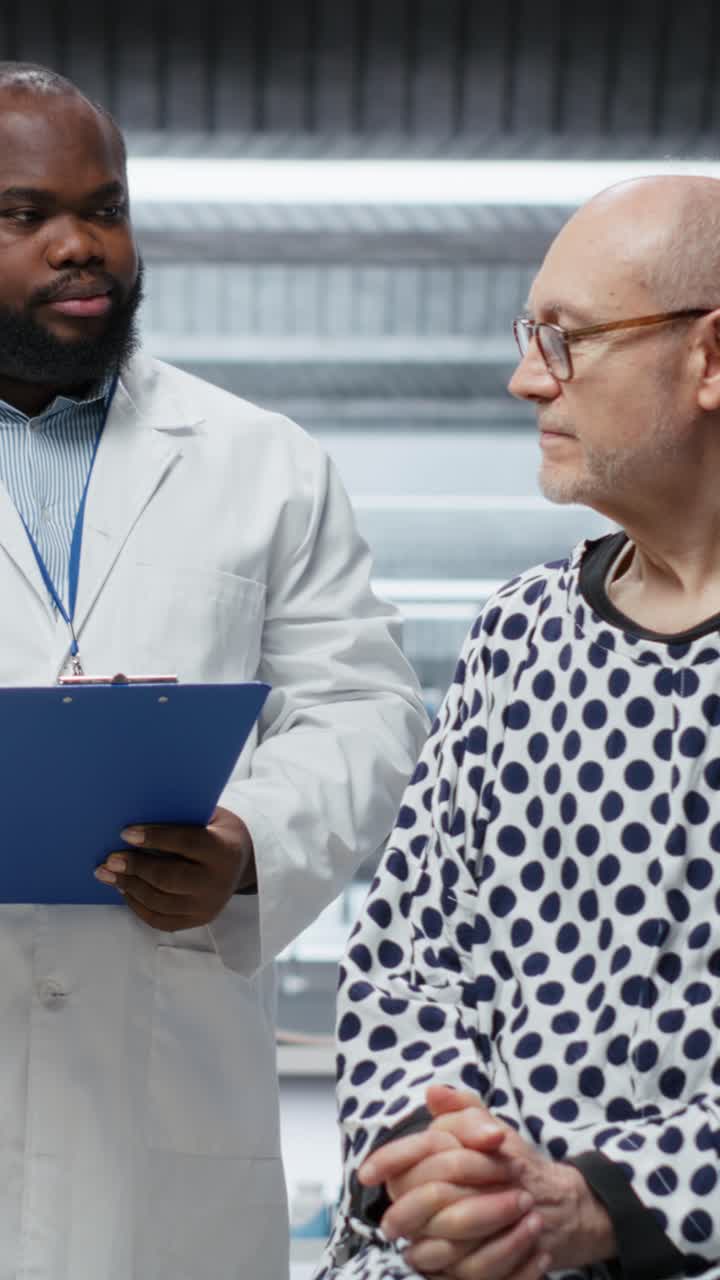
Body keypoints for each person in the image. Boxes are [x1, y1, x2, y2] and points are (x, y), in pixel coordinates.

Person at [0, 62, 428, 1280]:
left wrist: (250, 846)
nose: (84, 245)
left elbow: (365, 702)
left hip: (164, 1118)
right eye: (25, 215)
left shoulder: (263, 461)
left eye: (108, 206)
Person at [317, 174, 720, 1280]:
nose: (524, 375)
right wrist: (435, 1166)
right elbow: (407, 960)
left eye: (568, 337)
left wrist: (600, 1202)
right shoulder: (520, 632)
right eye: (528, 332)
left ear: (712, 356)